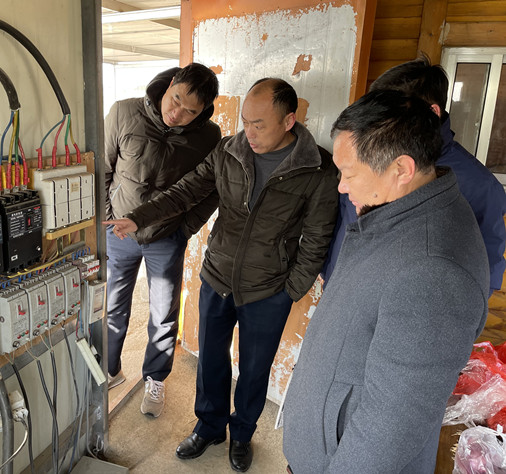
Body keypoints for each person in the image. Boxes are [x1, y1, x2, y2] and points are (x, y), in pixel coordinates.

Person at [105, 78, 338, 472]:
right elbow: (184, 192)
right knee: (211, 361)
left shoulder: (317, 168)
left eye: (259, 125)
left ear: (288, 121)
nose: (250, 133)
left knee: (254, 369)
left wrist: (291, 290)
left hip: (269, 288)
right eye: (245, 122)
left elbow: (318, 237)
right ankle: (209, 426)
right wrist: (138, 218)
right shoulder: (229, 150)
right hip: (218, 275)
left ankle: (243, 434)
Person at [282, 90, 490, 473]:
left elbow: (391, 428)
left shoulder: (434, 272)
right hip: (323, 448)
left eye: (349, 174)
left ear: (401, 170)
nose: (341, 186)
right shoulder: (400, 213)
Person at [321, 57, 506, 293]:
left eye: (391, 110)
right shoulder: (364, 157)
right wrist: (329, 270)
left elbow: (483, 275)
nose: (377, 120)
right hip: (341, 286)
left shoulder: (480, 186)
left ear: (432, 112)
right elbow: (343, 218)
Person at [104, 63, 221, 418]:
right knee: (112, 304)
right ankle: (109, 369)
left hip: (166, 236)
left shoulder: (208, 136)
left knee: (163, 311)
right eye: (176, 100)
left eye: (190, 111)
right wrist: (106, 219)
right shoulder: (124, 112)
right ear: (170, 84)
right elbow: (102, 171)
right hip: (119, 232)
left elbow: (210, 190)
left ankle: (155, 378)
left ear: (203, 112)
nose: (177, 113)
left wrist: (186, 229)